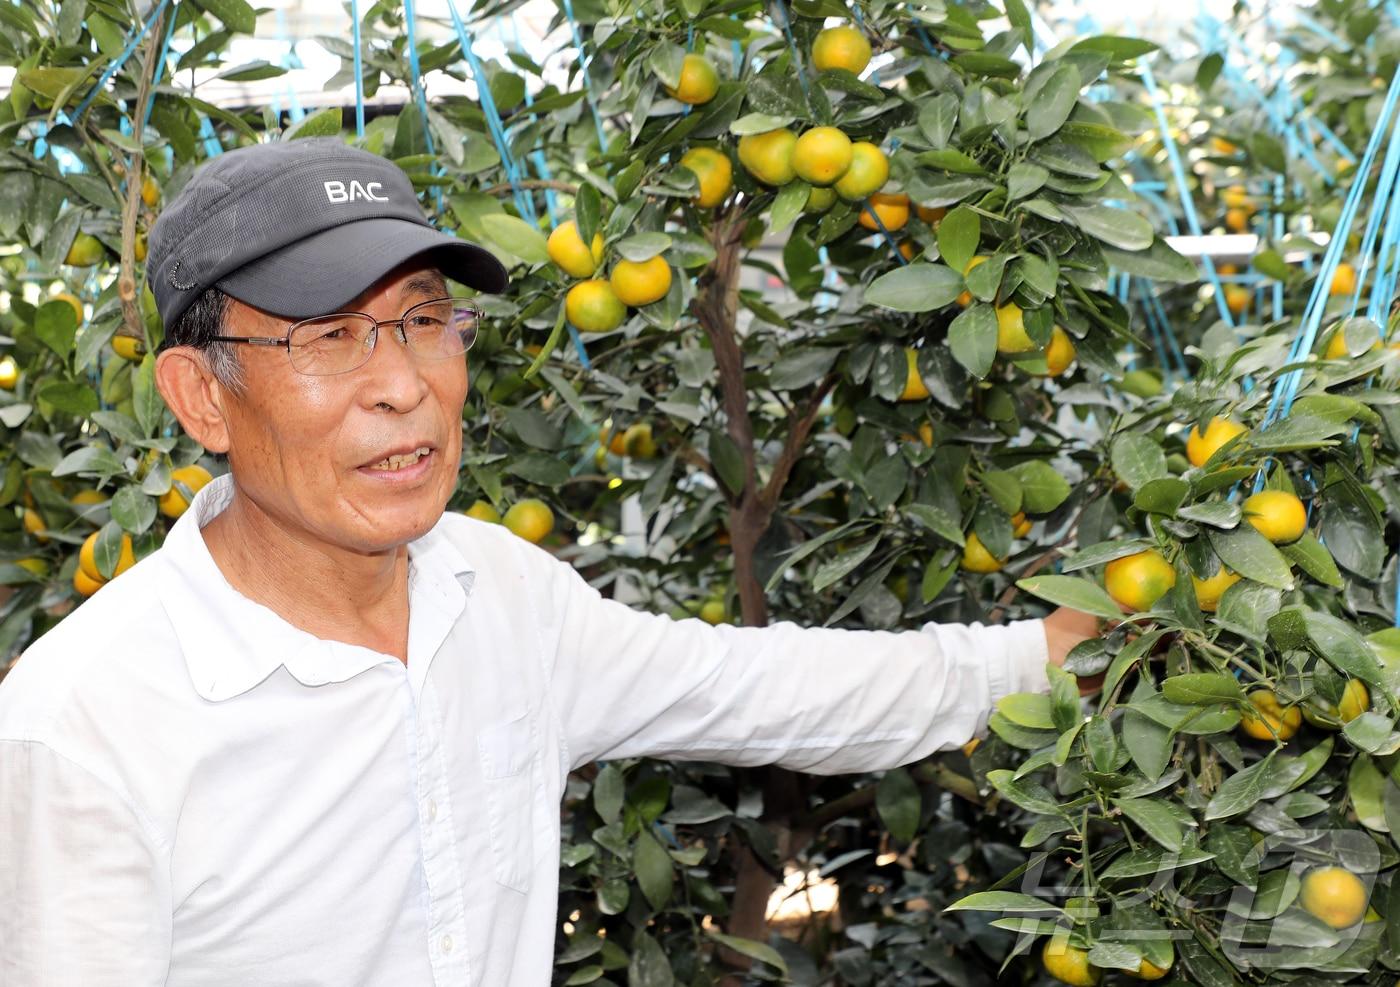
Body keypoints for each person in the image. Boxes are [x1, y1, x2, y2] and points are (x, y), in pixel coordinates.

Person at [0, 139, 1099, 986]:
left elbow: (766, 689)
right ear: (200, 396)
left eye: (424, 320)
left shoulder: (497, 594)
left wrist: (1046, 657)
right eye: (330, 337)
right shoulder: (90, 721)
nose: (404, 384)